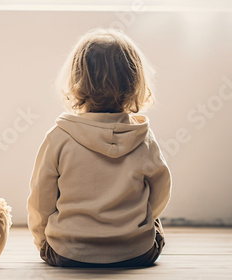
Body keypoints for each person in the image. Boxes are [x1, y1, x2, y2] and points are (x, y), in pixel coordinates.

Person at [27, 29, 171, 267]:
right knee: (156, 228)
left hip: (68, 252)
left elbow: (41, 198)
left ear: (77, 79)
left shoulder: (59, 137)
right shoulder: (143, 138)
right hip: (136, 252)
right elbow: (161, 191)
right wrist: (142, 222)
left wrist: (43, 241)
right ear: (134, 82)